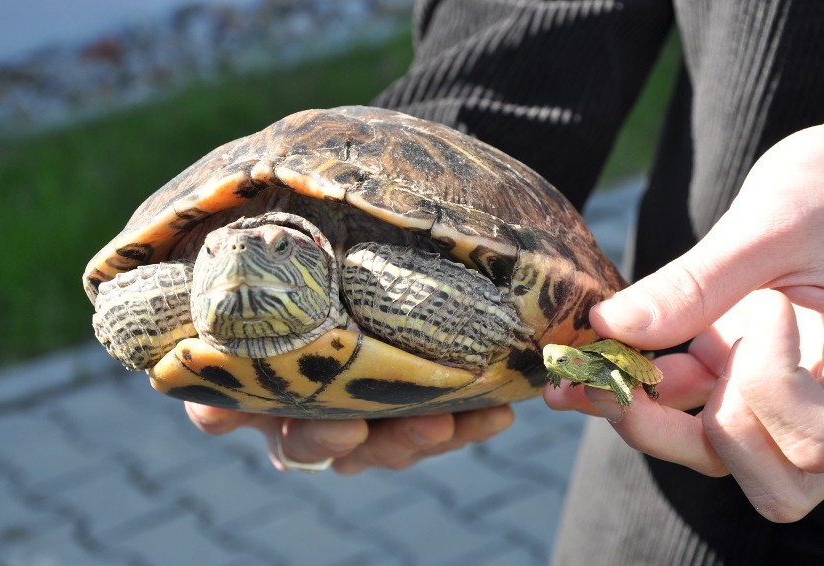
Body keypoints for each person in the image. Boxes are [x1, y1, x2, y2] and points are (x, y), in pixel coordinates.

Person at [185, 1, 824, 563]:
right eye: (217, 254)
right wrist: (427, 158)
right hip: (694, 394)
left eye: (270, 249)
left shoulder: (366, 278)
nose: (239, 258)